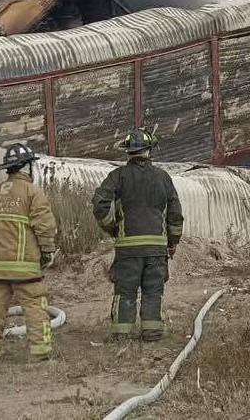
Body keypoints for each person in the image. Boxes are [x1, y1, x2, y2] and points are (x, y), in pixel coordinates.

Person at [0, 144, 58, 364]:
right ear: (27, 166)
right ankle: (40, 354)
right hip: (24, 267)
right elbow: (45, 227)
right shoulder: (33, 193)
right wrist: (47, 252)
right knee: (35, 307)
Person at [91, 128, 183, 342]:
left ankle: (122, 334)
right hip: (156, 249)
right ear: (149, 150)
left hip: (128, 249)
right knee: (153, 291)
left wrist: (112, 228)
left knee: (125, 290)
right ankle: (152, 332)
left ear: (128, 152)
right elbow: (175, 213)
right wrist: (173, 242)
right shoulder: (163, 177)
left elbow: (100, 204)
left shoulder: (117, 176)